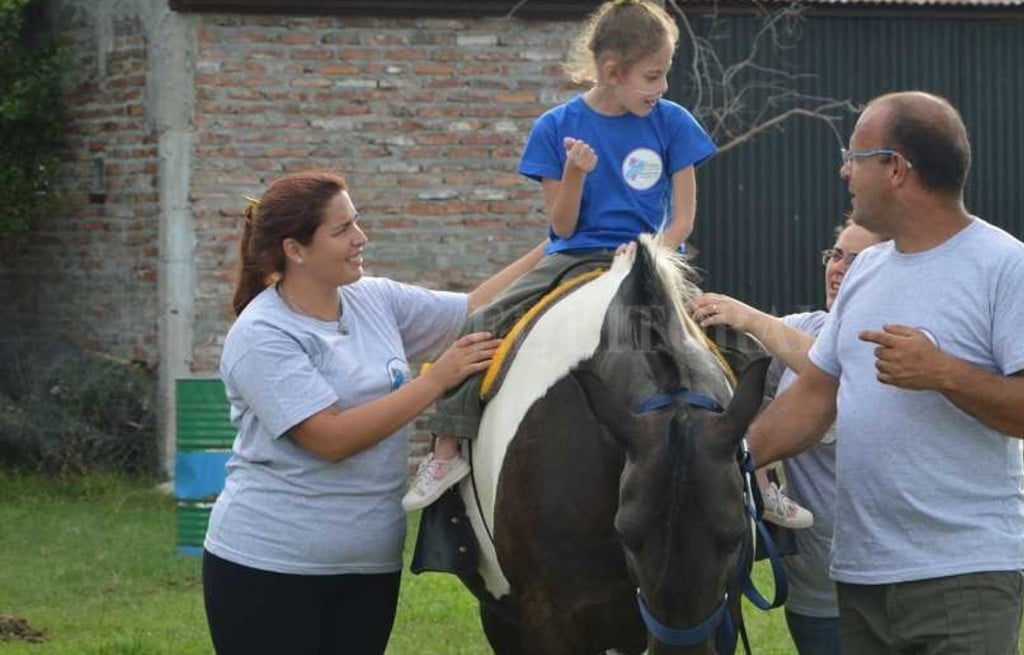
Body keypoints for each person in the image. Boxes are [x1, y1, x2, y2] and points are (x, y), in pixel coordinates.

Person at [745, 91, 1024, 654]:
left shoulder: (1006, 267)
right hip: (860, 576)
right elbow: (816, 396)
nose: (845, 173)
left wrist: (945, 373)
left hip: (963, 576)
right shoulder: (867, 270)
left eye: (855, 158)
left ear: (895, 168)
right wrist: (730, 457)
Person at [405, 0, 740, 511]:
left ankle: (758, 470)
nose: (663, 87)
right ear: (613, 71)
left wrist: (651, 253)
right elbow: (561, 227)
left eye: (665, 73)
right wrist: (576, 172)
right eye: (653, 76)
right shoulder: (556, 127)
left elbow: (683, 222)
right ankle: (446, 447)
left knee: (731, 336)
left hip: (652, 261)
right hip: (574, 256)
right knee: (482, 323)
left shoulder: (673, 123)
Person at [202, 171, 544, 655]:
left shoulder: (373, 298)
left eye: (356, 222)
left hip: (369, 566)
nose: (360, 237)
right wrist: (434, 381)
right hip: (269, 570)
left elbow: (473, 308)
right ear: (295, 249)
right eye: (342, 230)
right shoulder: (263, 335)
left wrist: (559, 246)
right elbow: (330, 439)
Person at [690, 220, 884, 655]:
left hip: (885, 582)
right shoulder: (807, 325)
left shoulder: (893, 339)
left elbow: (839, 372)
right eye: (835, 254)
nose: (839, 267)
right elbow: (731, 362)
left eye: (856, 259)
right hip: (814, 588)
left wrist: (751, 318)